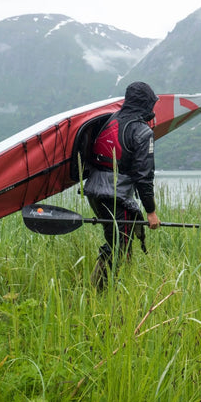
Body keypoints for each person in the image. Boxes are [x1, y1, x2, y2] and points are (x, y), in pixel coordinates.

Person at [83, 81, 161, 290]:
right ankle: (98, 293)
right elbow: (144, 176)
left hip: (94, 191)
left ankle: (119, 289)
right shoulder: (142, 132)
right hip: (118, 196)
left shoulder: (110, 119)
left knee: (120, 241)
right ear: (146, 104)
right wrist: (151, 211)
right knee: (117, 245)